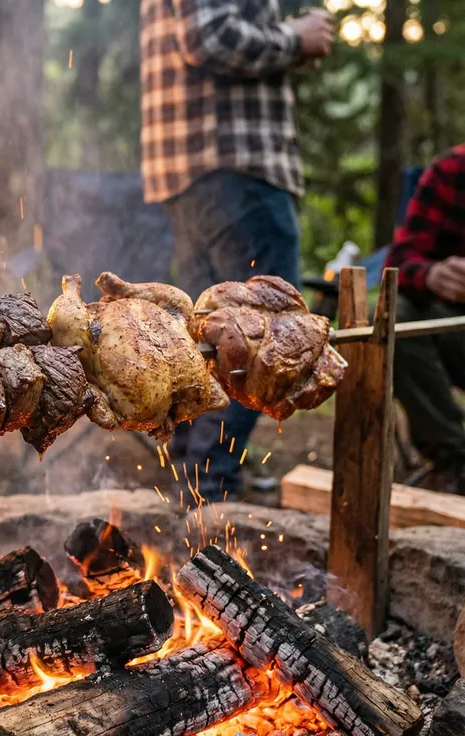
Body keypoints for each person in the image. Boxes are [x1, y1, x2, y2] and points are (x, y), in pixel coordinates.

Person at [139, 0, 335, 501]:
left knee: (205, 336)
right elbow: (209, 38)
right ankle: (211, 486)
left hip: (193, 168)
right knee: (267, 335)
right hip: (236, 165)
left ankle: (194, 481)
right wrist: (295, 38)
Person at [385, 143, 465, 495]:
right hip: (455, 328)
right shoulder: (452, 170)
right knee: (400, 318)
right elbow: (399, 260)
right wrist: (430, 275)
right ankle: (454, 458)